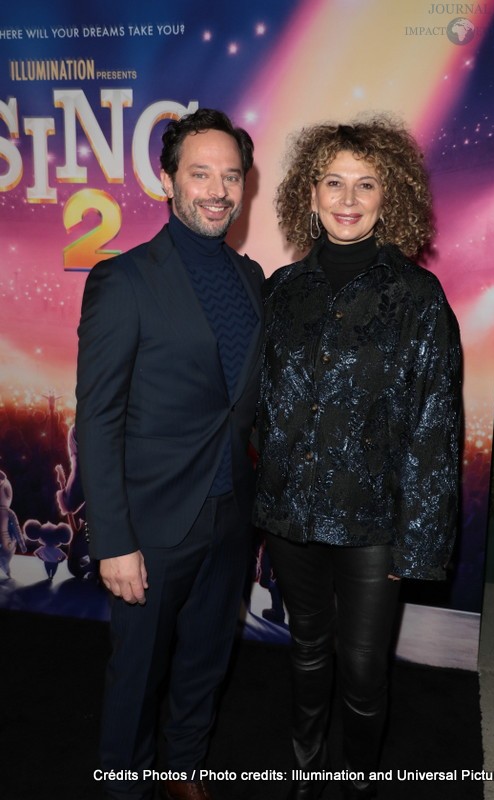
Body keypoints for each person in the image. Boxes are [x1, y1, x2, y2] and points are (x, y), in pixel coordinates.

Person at [253, 116, 462, 800]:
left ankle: (359, 783)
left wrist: (420, 543)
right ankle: (306, 769)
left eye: (365, 183)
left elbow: (435, 427)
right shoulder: (281, 289)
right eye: (333, 182)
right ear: (308, 195)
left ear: (388, 195)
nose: (348, 198)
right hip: (290, 517)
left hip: (375, 524)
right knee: (307, 650)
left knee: (366, 669)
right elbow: (261, 401)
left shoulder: (418, 300)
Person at [76, 108, 263, 800]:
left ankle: (185, 770)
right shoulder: (124, 281)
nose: (217, 190)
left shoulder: (250, 280)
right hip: (151, 527)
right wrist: (114, 541)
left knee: (206, 661)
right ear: (168, 180)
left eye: (231, 175)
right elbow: (97, 418)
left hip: (231, 514)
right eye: (200, 173)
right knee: (137, 674)